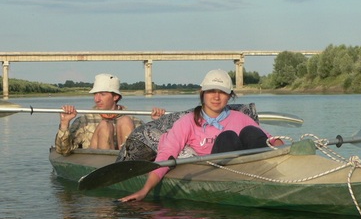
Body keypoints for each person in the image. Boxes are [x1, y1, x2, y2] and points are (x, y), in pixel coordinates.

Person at [119, 69, 283, 203]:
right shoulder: (188, 122)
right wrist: (144, 190)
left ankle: (276, 177)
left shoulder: (241, 118)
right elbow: (166, 155)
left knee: (252, 132)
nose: (216, 97)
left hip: (252, 171)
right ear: (202, 93)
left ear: (230, 95)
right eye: (211, 91)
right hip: (216, 176)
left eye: (222, 92)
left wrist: (288, 147)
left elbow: (270, 140)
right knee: (228, 137)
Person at [55, 73, 165, 155]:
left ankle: (129, 167)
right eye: (95, 94)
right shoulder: (84, 121)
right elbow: (63, 151)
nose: (96, 99)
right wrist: (65, 124)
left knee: (125, 121)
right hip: (95, 165)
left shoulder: (134, 121)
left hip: (125, 166)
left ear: (115, 97)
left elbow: (154, 149)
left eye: (102, 94)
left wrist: (158, 124)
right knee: (105, 125)